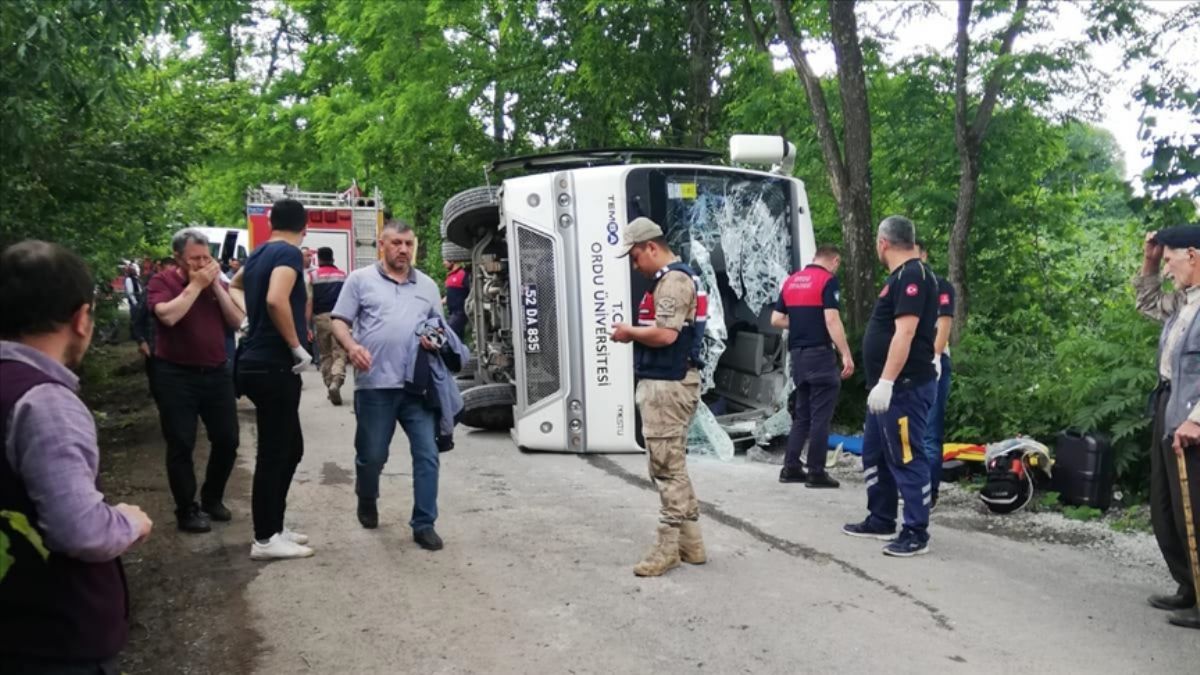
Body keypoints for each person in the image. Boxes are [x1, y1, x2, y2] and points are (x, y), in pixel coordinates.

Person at [0, 240, 154, 673]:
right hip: (48, 641)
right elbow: (80, 530)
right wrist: (128, 519)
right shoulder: (43, 402)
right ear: (82, 319)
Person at [331, 219, 448, 550]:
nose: (403, 250)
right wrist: (352, 347)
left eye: (408, 244)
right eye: (396, 243)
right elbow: (339, 321)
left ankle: (424, 523)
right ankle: (366, 496)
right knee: (371, 456)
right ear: (382, 245)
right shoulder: (360, 280)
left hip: (417, 387)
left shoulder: (426, 285)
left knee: (427, 455)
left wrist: (433, 339)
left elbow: (439, 328)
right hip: (375, 386)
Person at [610, 217, 708, 577]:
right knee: (673, 465)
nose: (636, 266)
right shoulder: (670, 279)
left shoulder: (673, 281)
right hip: (667, 381)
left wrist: (627, 332)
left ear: (651, 247)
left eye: (636, 257)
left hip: (669, 384)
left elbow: (666, 335)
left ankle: (667, 548)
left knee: (666, 468)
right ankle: (691, 544)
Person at [842, 215, 939, 557]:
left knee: (906, 455)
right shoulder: (899, 277)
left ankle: (915, 531)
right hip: (884, 389)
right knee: (875, 453)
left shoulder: (913, 274)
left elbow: (906, 332)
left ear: (883, 242)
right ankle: (881, 517)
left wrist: (886, 381)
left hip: (904, 387)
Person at [232, 199, 315, 561]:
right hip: (273, 364)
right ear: (305, 225)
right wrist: (296, 345)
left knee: (290, 448)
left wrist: (247, 318)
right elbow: (276, 299)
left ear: (271, 222)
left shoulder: (259, 253)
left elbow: (234, 285)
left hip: (256, 361)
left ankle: (275, 526)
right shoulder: (289, 254)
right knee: (274, 453)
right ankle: (265, 538)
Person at [147, 228, 244, 533]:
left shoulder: (216, 283)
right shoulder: (163, 282)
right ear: (178, 258)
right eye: (194, 259)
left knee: (228, 440)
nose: (202, 264)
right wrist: (195, 286)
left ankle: (212, 497)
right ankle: (186, 509)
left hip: (215, 372)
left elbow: (236, 321)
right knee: (181, 442)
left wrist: (214, 287)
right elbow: (168, 316)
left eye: (206, 257)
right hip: (175, 374)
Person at [1134, 226, 1200, 630]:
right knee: (1165, 506)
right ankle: (1188, 585)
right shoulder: (1184, 300)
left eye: (1172, 260)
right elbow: (1146, 303)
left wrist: (1197, 418)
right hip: (1168, 405)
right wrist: (1151, 260)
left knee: (1196, 507)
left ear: (1193, 255)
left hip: (1193, 417)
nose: (1169, 269)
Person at [770, 244, 855, 488]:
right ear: (834, 261)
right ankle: (816, 472)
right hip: (820, 354)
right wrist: (846, 354)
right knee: (821, 416)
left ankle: (791, 467)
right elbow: (831, 318)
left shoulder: (792, 281)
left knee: (802, 414)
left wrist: (799, 324)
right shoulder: (827, 281)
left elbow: (775, 319)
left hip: (798, 356)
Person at [916, 240, 955, 507]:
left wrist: (937, 356)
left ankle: (929, 493)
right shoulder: (901, 284)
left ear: (924, 254)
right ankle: (911, 488)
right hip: (907, 365)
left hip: (932, 363)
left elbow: (944, 323)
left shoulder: (939, 284)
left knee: (930, 432)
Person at [130, 257, 178, 399]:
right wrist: (141, 341)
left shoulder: (183, 292)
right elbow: (137, 320)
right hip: (155, 349)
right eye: (167, 272)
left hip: (178, 351)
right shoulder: (150, 291)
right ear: (160, 270)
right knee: (159, 389)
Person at [312, 247, 349, 405]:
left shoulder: (312, 276)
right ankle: (336, 381)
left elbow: (308, 301)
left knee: (325, 354)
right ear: (332, 258)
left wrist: (307, 324)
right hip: (340, 318)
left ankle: (329, 384)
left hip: (320, 319)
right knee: (340, 352)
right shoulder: (343, 276)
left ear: (319, 259)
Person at [443, 260, 471, 341]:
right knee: (458, 340)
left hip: (460, 313)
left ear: (452, 261)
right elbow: (450, 295)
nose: (443, 263)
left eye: (445, 261)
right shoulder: (450, 276)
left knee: (447, 334)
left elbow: (472, 292)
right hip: (451, 313)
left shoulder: (464, 274)